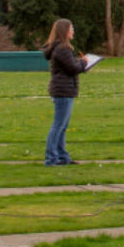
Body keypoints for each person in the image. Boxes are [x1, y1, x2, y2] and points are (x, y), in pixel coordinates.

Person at [41, 19, 88, 166]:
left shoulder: (61, 49)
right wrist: (85, 62)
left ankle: (61, 156)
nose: (73, 31)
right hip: (63, 91)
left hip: (63, 90)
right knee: (58, 126)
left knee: (62, 126)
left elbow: (71, 65)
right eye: (71, 28)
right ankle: (51, 158)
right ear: (64, 31)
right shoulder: (62, 49)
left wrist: (80, 63)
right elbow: (73, 68)